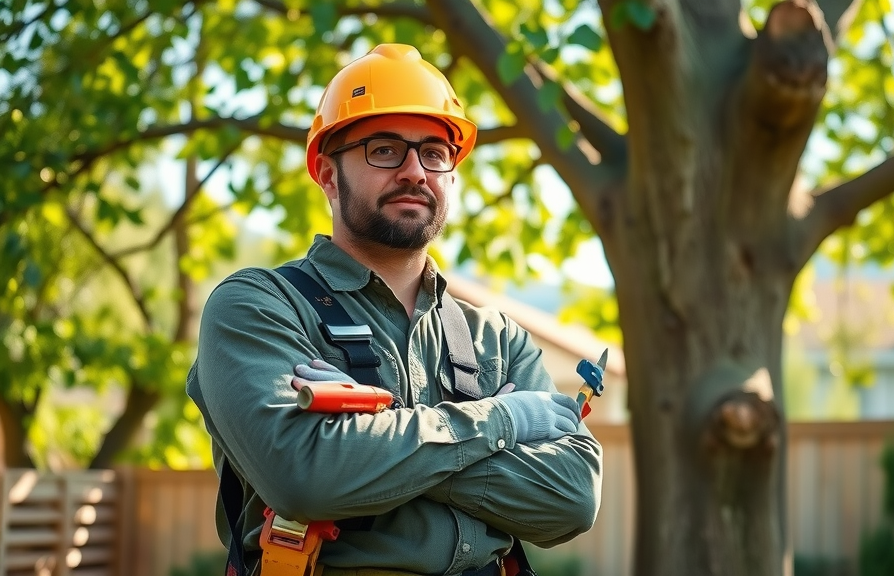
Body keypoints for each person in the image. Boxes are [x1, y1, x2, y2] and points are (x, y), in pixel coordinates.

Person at [186, 43, 602, 576]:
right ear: (327, 174)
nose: (414, 171)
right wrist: (503, 420)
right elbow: (305, 478)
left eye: (434, 152)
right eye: (384, 149)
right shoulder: (258, 307)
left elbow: (571, 498)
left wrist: (370, 443)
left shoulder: (496, 338)